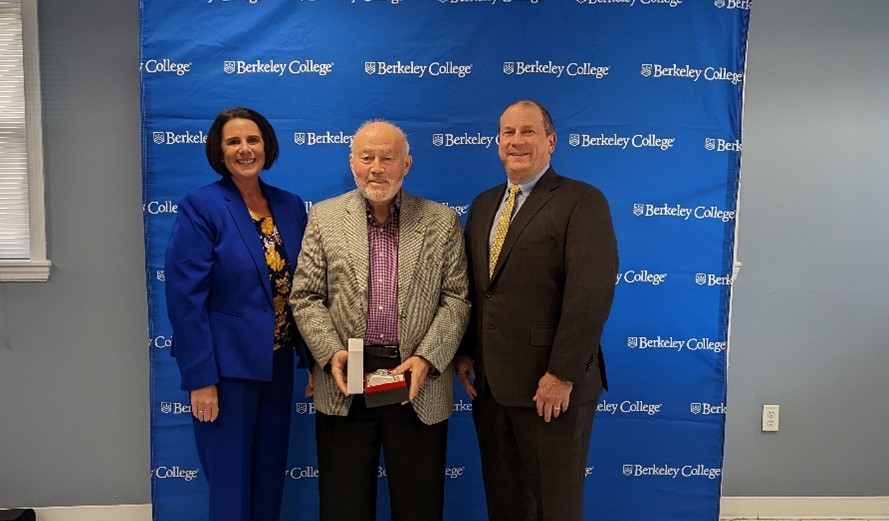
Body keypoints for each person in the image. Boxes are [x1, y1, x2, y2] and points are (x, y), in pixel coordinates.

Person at [289, 120, 470, 521]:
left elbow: (457, 299)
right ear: (352, 162)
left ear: (406, 164)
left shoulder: (441, 221)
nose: (376, 167)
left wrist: (426, 359)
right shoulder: (325, 217)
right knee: (343, 508)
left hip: (417, 386)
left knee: (420, 507)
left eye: (387, 157)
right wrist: (330, 352)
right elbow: (305, 297)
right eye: (366, 157)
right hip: (345, 384)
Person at [455, 99, 618, 521]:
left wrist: (561, 374)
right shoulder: (484, 204)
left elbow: (590, 295)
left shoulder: (582, 201)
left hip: (552, 389)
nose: (516, 141)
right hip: (492, 390)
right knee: (506, 506)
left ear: (551, 141)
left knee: (555, 508)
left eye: (527, 131)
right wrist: (466, 351)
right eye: (507, 132)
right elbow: (479, 289)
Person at [164, 107, 310, 521]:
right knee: (230, 488)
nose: (245, 149)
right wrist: (201, 379)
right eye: (233, 142)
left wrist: (313, 359)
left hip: (278, 365)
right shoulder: (202, 206)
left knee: (268, 481)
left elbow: (306, 289)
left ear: (267, 145)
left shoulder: (289, 205)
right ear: (220, 151)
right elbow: (184, 299)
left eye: (253, 140)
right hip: (225, 374)